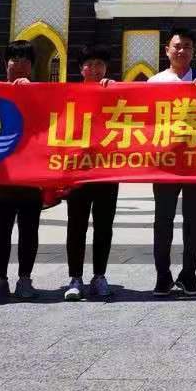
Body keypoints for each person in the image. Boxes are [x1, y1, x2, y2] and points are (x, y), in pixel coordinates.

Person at [147, 27, 196, 297]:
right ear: (166, 50)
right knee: (162, 219)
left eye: (187, 46)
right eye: (177, 46)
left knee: (192, 220)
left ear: (193, 51)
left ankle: (189, 274)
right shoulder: (155, 82)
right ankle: (162, 275)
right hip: (165, 161)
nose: (181, 50)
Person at [0, 40, 45, 302]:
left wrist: (32, 94)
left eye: (25, 60)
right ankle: (0, 279)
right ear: (5, 64)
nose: (19, 65)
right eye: (14, 59)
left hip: (31, 176)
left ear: (32, 66)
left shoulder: (43, 94)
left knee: (29, 230)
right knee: (1, 229)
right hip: (2, 176)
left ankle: (25, 279)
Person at [64, 46, 119, 302]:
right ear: (80, 69)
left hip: (107, 170)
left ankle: (99, 275)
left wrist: (118, 91)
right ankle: (75, 276)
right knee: (76, 225)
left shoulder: (115, 92)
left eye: (100, 64)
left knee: (104, 226)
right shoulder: (68, 94)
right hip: (78, 170)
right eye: (91, 64)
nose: (96, 69)